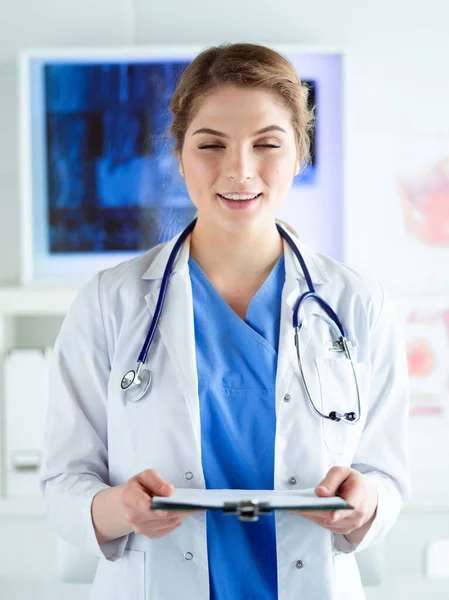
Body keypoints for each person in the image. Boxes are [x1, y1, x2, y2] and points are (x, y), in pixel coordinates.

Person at [40, 43, 410, 600]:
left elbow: (387, 475)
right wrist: (118, 509)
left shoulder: (359, 306)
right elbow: (63, 480)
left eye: (267, 144)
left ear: (299, 154)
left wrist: (367, 501)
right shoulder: (108, 303)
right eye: (211, 144)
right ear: (180, 155)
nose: (240, 171)